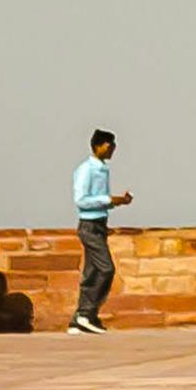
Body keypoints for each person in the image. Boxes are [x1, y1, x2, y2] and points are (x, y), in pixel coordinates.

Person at [69, 131, 130, 332]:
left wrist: (117, 202)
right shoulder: (86, 170)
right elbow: (81, 200)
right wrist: (108, 200)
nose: (112, 148)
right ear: (97, 146)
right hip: (88, 227)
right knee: (106, 269)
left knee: (91, 272)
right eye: (108, 145)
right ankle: (86, 313)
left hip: (99, 225)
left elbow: (100, 200)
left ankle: (83, 318)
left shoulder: (102, 169)